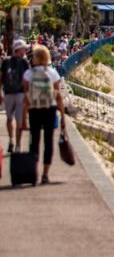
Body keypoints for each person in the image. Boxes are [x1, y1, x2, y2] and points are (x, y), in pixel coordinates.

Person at [21, 44, 67, 185]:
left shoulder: (28, 74)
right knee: (48, 142)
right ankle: (45, 174)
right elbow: (58, 96)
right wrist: (63, 116)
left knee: (34, 141)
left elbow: (26, 97)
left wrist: (23, 118)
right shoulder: (52, 73)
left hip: (35, 109)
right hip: (50, 109)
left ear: (35, 58)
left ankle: (34, 172)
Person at [2, 38, 31, 154]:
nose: (25, 51)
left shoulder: (5, 61)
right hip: (20, 94)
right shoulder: (24, 62)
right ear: (19, 50)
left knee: (9, 119)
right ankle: (18, 145)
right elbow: (27, 80)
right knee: (19, 120)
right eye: (24, 49)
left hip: (8, 93)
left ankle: (11, 140)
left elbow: (1, 76)